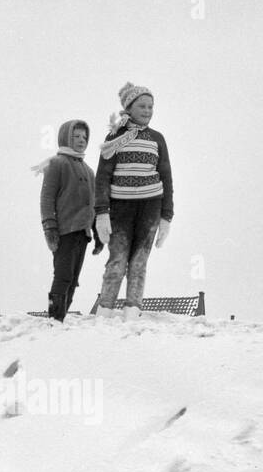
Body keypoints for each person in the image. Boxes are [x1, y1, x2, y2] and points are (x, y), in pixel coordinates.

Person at [92, 82, 173, 320]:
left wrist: (166, 216)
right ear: (129, 107)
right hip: (120, 209)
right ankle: (104, 310)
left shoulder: (158, 139)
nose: (147, 110)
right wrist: (101, 212)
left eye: (151, 106)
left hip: (150, 207)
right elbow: (103, 177)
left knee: (139, 261)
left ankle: (132, 311)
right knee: (117, 259)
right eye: (142, 106)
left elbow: (167, 177)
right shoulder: (114, 137)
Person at [34, 120, 96, 322]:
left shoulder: (88, 170)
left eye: (84, 137)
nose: (81, 140)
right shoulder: (57, 163)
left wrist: (97, 230)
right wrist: (49, 227)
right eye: (76, 136)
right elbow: (47, 197)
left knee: (74, 279)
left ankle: (62, 315)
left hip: (83, 232)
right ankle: (55, 318)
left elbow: (93, 203)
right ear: (65, 138)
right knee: (63, 276)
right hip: (64, 230)